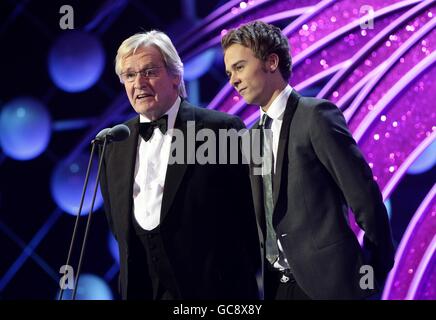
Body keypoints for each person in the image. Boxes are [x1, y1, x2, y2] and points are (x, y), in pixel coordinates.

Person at [222, 21, 395, 300]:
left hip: (332, 286)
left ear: (271, 62)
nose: (233, 80)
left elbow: (365, 198)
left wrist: (371, 273)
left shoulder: (315, 115)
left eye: (239, 67)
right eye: (229, 72)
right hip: (278, 287)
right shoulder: (251, 137)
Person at [99, 30, 261, 300]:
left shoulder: (221, 130)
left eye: (149, 71)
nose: (138, 83)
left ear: (176, 76)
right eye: (129, 75)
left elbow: (251, 220)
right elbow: (119, 229)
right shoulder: (114, 144)